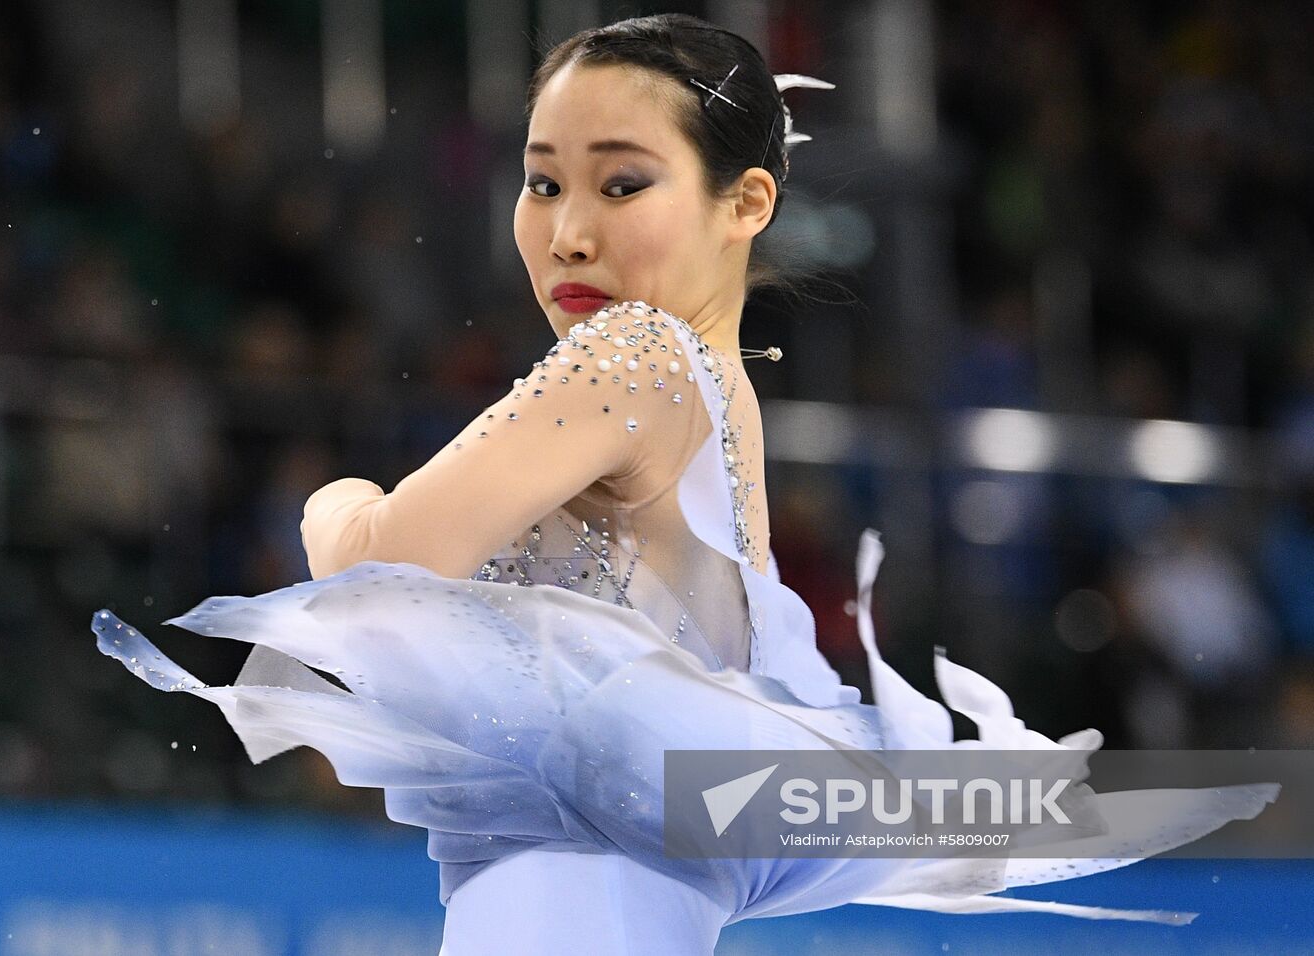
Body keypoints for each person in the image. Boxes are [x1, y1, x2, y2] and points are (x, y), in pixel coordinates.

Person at [92, 14, 1277, 955]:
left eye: (619, 185)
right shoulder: (718, 400)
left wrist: (332, 496)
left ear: (746, 202)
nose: (564, 233)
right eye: (541, 181)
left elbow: (375, 564)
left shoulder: (634, 357)